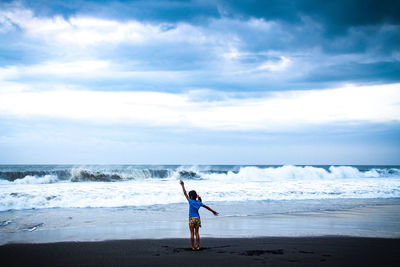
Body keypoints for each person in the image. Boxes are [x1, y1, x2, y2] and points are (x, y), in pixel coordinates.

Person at [179, 180, 218, 251]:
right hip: (197, 219)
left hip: (191, 219)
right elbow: (207, 207)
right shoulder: (199, 202)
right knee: (197, 233)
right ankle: (197, 247)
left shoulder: (190, 201)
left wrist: (182, 185)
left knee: (191, 233)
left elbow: (184, 193)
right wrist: (213, 211)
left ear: (190, 196)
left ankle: (193, 247)